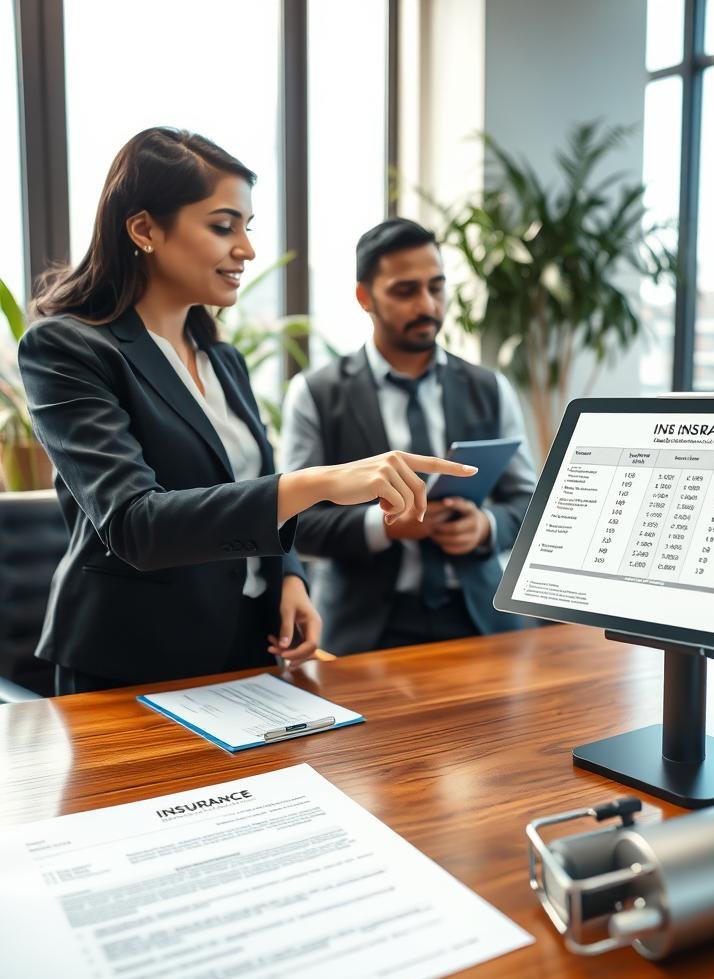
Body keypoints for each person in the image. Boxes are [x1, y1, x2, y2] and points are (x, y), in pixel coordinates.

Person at [19, 130, 475, 694]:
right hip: (132, 660)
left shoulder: (221, 358)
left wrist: (288, 574)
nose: (247, 250)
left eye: (247, 228)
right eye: (222, 226)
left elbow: (250, 484)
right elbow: (136, 524)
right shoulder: (67, 349)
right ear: (144, 229)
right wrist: (321, 482)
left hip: (247, 646)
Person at [281, 217, 537, 654]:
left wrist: (486, 527)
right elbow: (294, 523)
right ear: (365, 297)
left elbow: (531, 501)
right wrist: (381, 528)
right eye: (405, 291)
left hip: (480, 617)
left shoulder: (490, 388)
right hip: (362, 629)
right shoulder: (315, 393)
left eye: (436, 288)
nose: (428, 305)